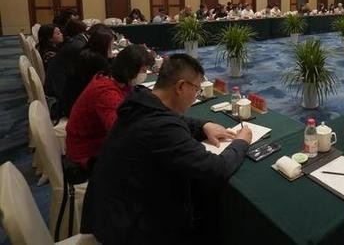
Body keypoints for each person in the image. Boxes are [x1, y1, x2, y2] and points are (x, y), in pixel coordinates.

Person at [81, 54, 252, 245]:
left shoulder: (139, 100)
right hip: (128, 229)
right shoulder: (160, 128)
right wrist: (241, 142)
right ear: (181, 87)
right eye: (196, 89)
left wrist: (203, 125)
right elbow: (216, 168)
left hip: (109, 212)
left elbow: (174, 120)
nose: (196, 96)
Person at [66, 45, 155, 172]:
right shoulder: (106, 93)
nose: (144, 74)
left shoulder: (109, 78)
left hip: (97, 141)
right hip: (87, 153)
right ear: (129, 71)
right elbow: (120, 132)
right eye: (143, 71)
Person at [60, 27, 115, 118]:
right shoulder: (97, 59)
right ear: (105, 45)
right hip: (78, 108)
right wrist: (111, 58)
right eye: (111, 45)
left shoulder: (86, 52)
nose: (112, 47)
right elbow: (112, 78)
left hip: (71, 102)